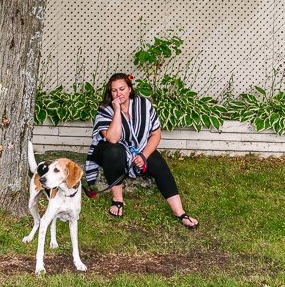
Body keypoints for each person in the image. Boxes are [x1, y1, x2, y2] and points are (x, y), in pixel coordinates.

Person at [85, 73, 199, 229]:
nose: (119, 93)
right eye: (114, 90)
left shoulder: (144, 104)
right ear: (110, 93)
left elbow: (156, 134)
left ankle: (180, 212)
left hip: (138, 148)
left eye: (122, 89)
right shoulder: (105, 109)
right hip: (107, 149)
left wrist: (143, 155)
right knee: (115, 152)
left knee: (158, 163)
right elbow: (112, 138)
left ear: (130, 89)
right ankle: (118, 200)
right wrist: (117, 111)